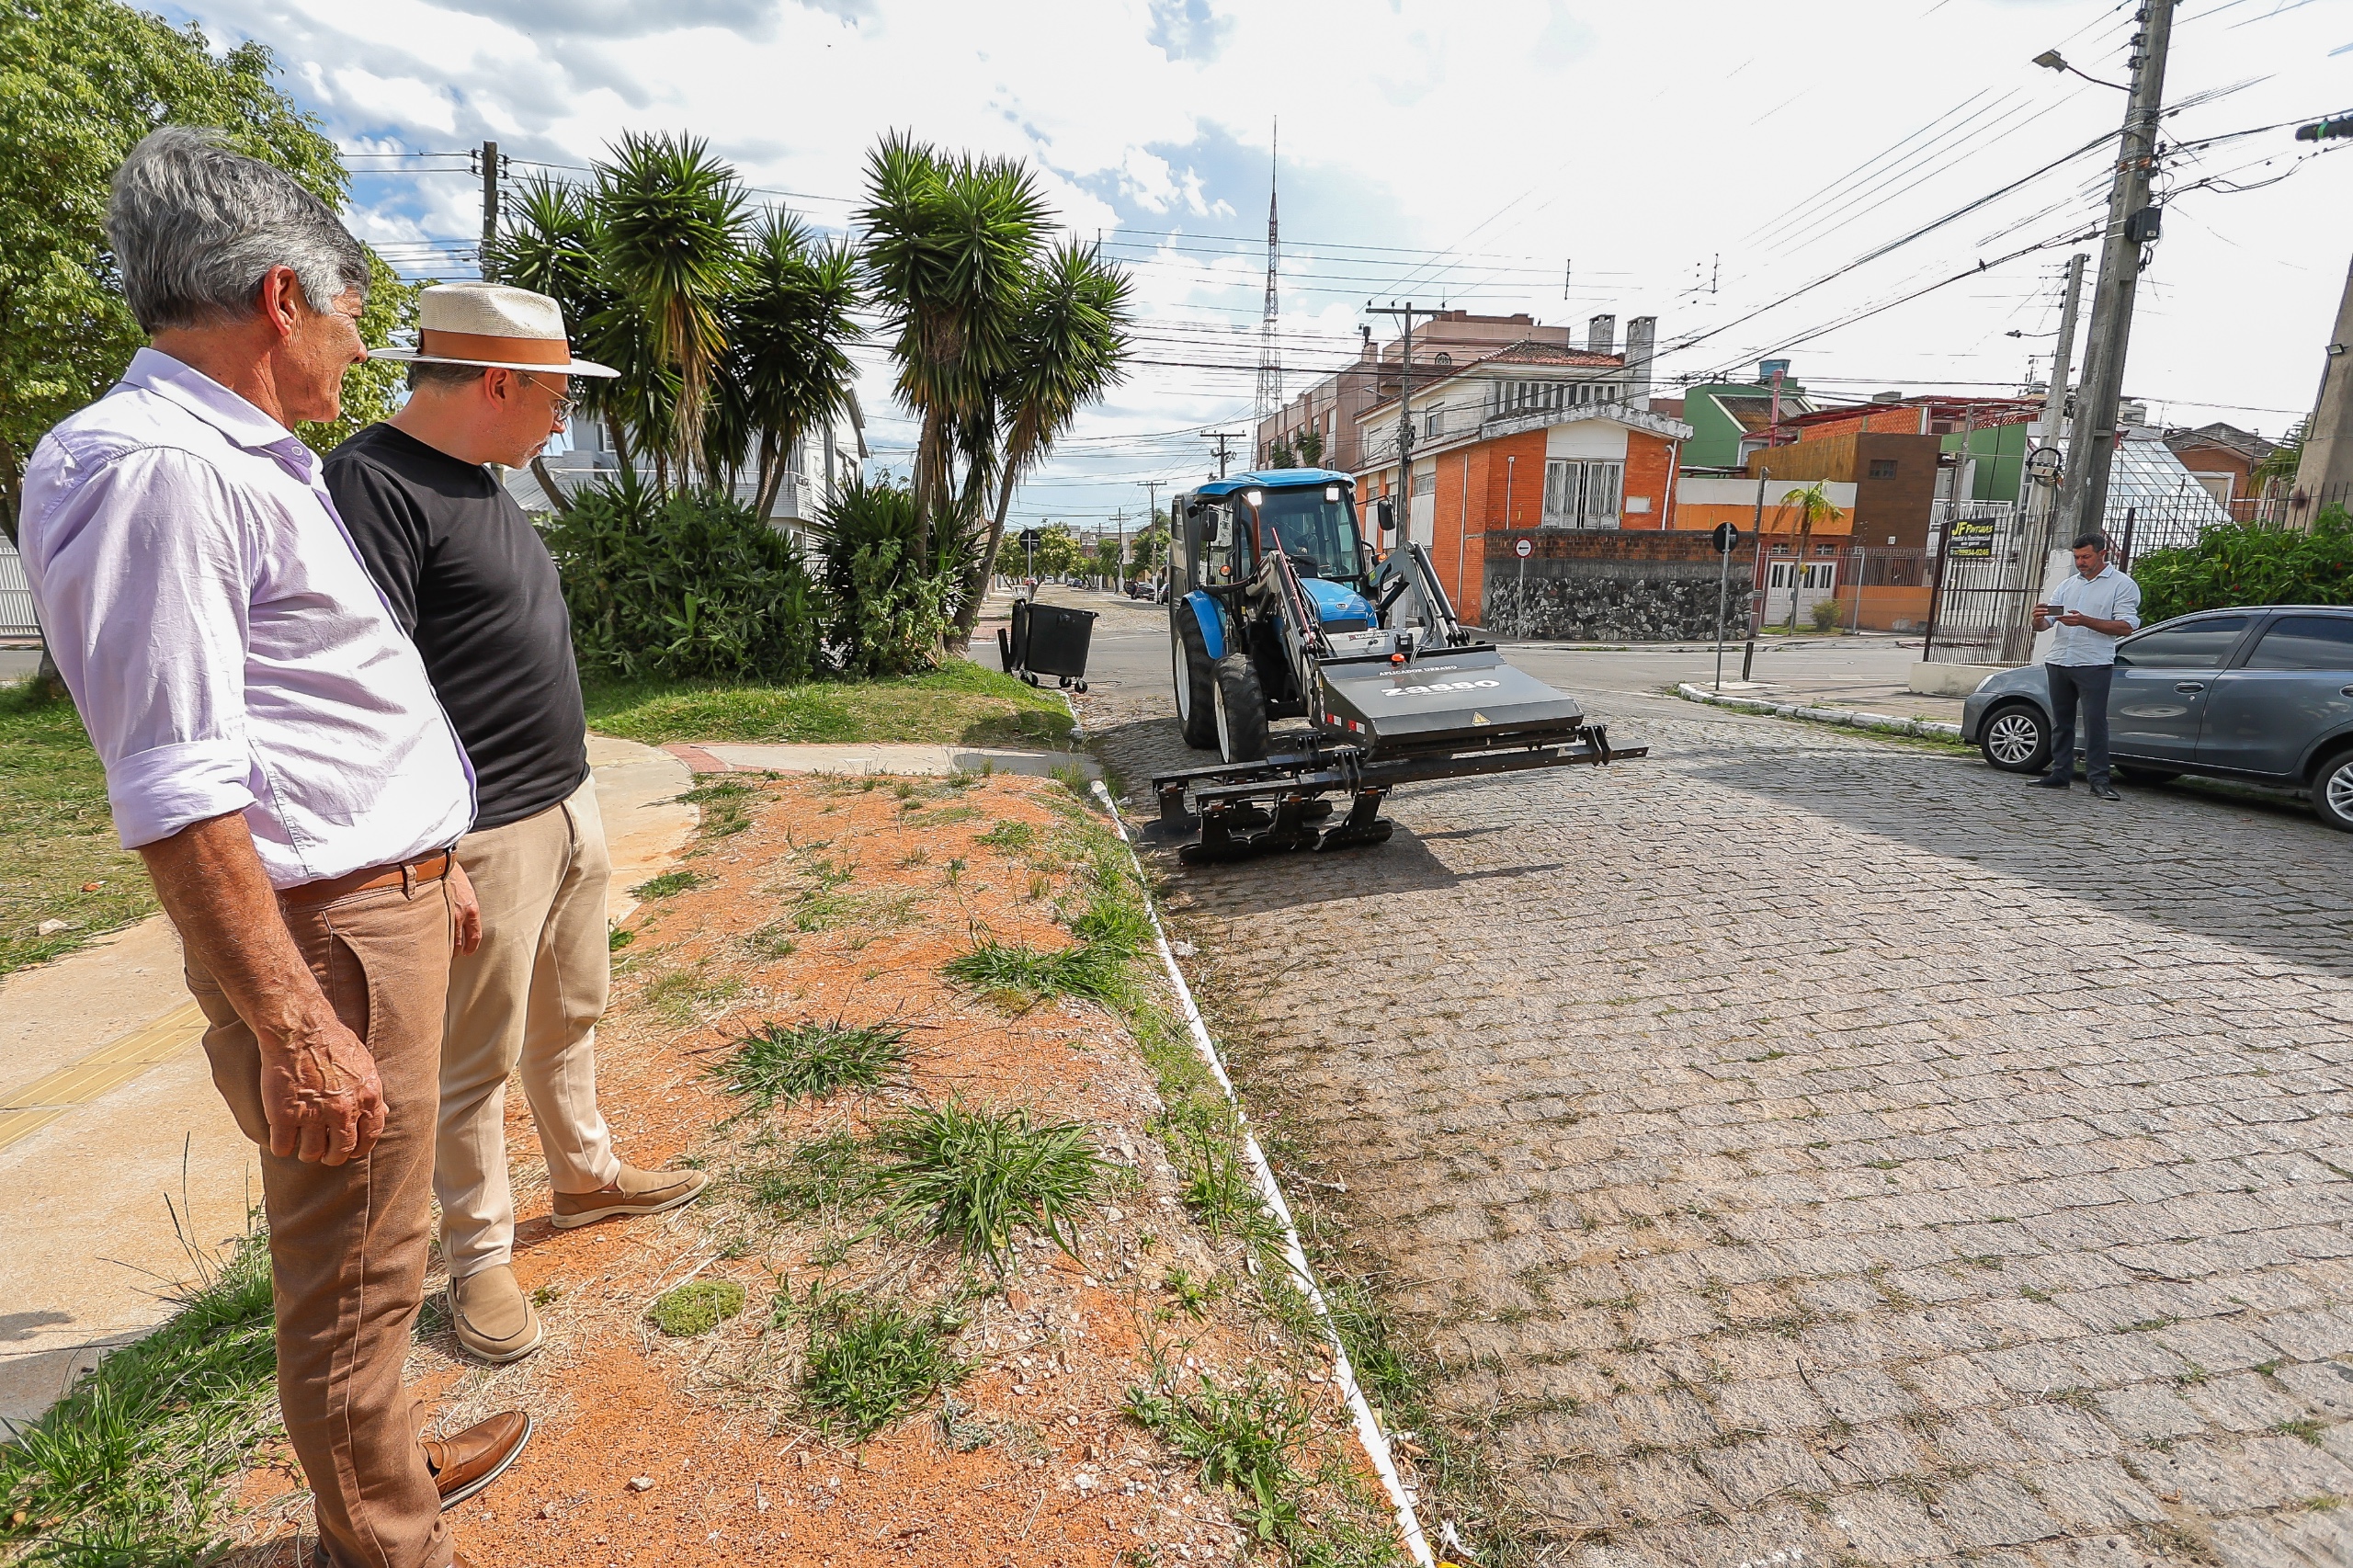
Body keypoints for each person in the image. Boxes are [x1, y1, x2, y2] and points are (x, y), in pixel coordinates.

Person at [17, 129, 528, 1568]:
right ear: (283, 297)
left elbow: (303, 722)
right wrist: (297, 1018)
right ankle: (382, 1543)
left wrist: (428, 876)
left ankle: (381, 1477)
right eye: (358, 318)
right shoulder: (158, 473)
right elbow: (179, 788)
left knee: (377, 1250)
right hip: (327, 945)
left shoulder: (240, 458)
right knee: (350, 1276)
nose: (361, 354)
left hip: (379, 913)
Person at [324, 284, 709, 1366]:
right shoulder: (373, 484)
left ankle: (582, 1176)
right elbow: (373, 688)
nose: (561, 419)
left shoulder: (482, 482)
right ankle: (479, 1252)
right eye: (554, 395)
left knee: (570, 1007)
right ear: (496, 380)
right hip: (480, 830)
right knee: (470, 1057)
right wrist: (428, 846)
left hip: (563, 799)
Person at [2030, 531, 2143, 801]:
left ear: (2102, 554)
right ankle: (2060, 774)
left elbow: (2126, 626)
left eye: (2086, 556)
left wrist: (2085, 621)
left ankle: (2099, 780)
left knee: (2095, 722)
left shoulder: (2122, 585)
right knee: (2062, 722)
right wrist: (2037, 620)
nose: (2081, 562)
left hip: (2093, 662)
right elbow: (2049, 623)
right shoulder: (2068, 585)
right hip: (2060, 659)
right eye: (2077, 557)